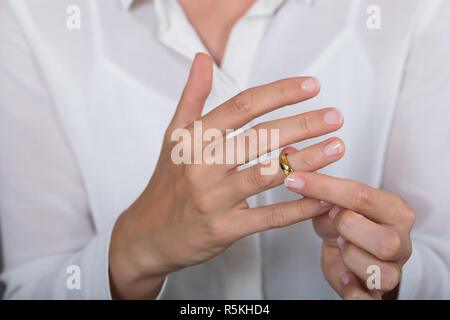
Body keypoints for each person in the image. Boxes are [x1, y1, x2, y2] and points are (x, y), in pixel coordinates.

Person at [0, 0, 449, 300]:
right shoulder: (32, 15)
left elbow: (439, 265)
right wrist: (132, 253)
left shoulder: (414, 11)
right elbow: (29, 287)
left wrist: (386, 279)